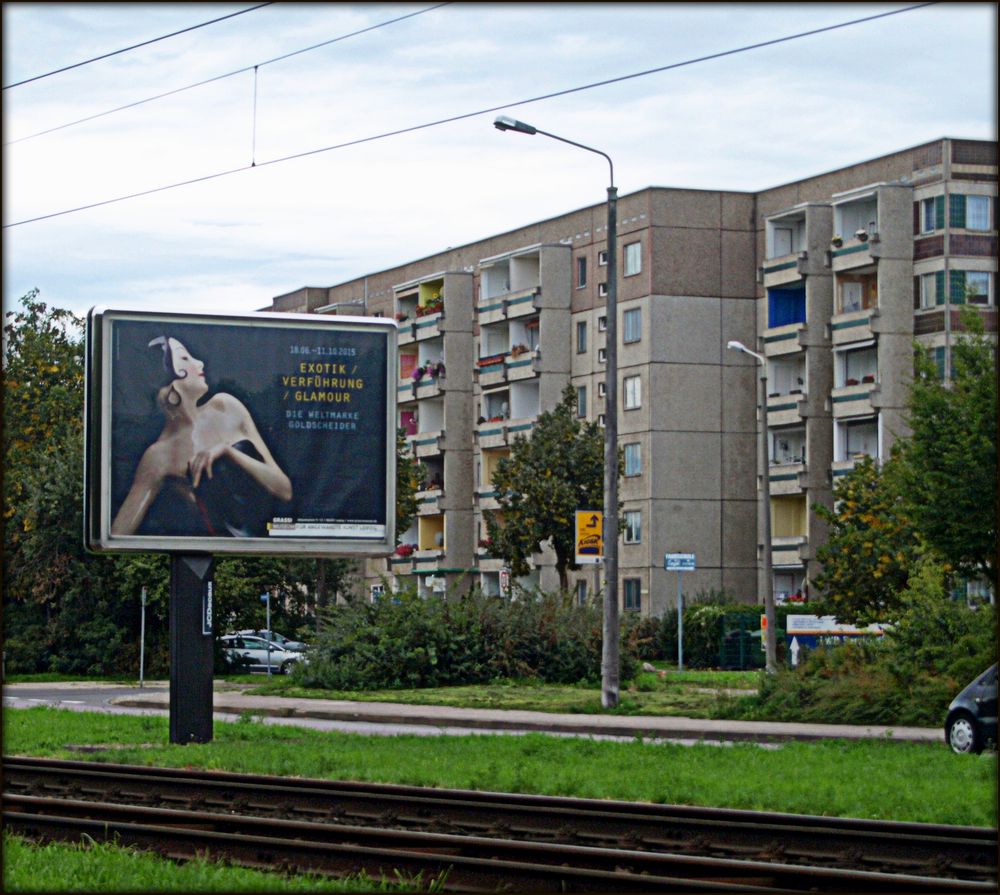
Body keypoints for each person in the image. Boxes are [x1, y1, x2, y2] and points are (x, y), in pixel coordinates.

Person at [111, 336, 292, 537]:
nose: (199, 362)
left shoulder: (226, 407)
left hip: (263, 548)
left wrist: (227, 451)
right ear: (171, 387)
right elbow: (117, 534)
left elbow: (284, 489)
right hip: (224, 551)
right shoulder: (159, 455)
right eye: (185, 359)